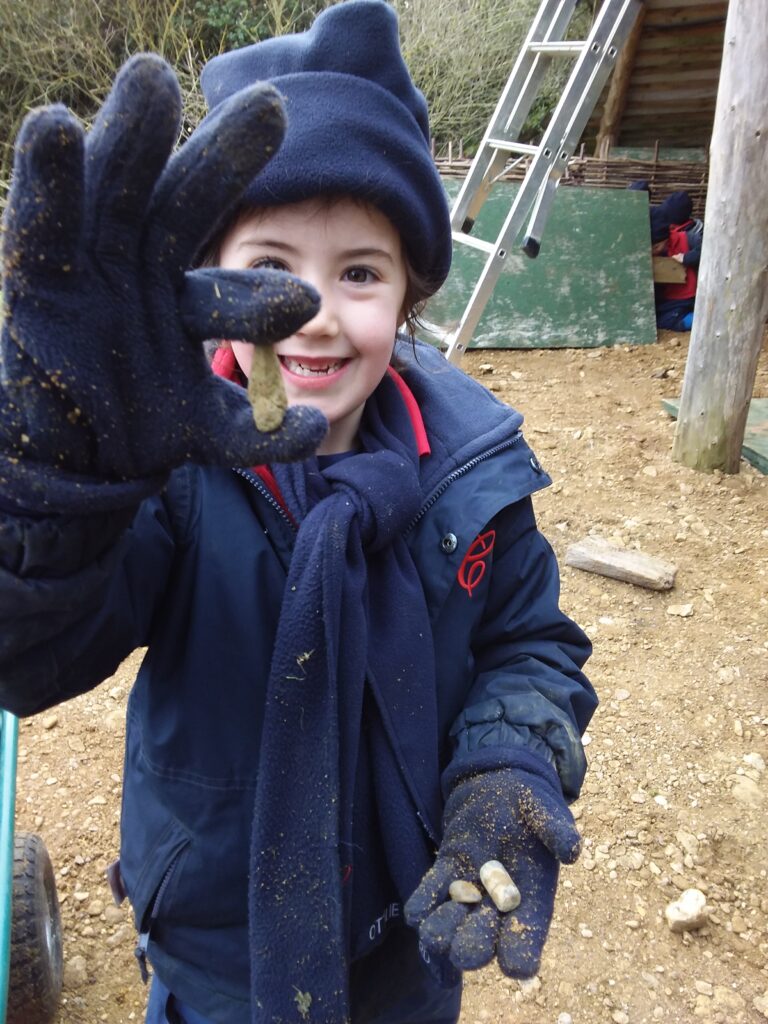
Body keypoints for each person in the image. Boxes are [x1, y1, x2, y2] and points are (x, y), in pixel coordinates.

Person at [0, 3, 596, 1023]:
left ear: (410, 292)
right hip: (218, 960)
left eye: (358, 272)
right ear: (203, 284)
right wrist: (62, 479)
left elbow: (529, 640)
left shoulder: (473, 471)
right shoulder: (168, 472)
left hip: (410, 943)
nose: (314, 311)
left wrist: (509, 757)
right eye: (268, 272)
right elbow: (31, 650)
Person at [651, 191, 704, 331]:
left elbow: (709, 251)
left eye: (656, 246)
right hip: (667, 298)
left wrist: (686, 258)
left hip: (684, 297)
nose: (653, 251)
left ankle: (697, 320)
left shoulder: (687, 238)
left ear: (667, 238)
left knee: (667, 320)